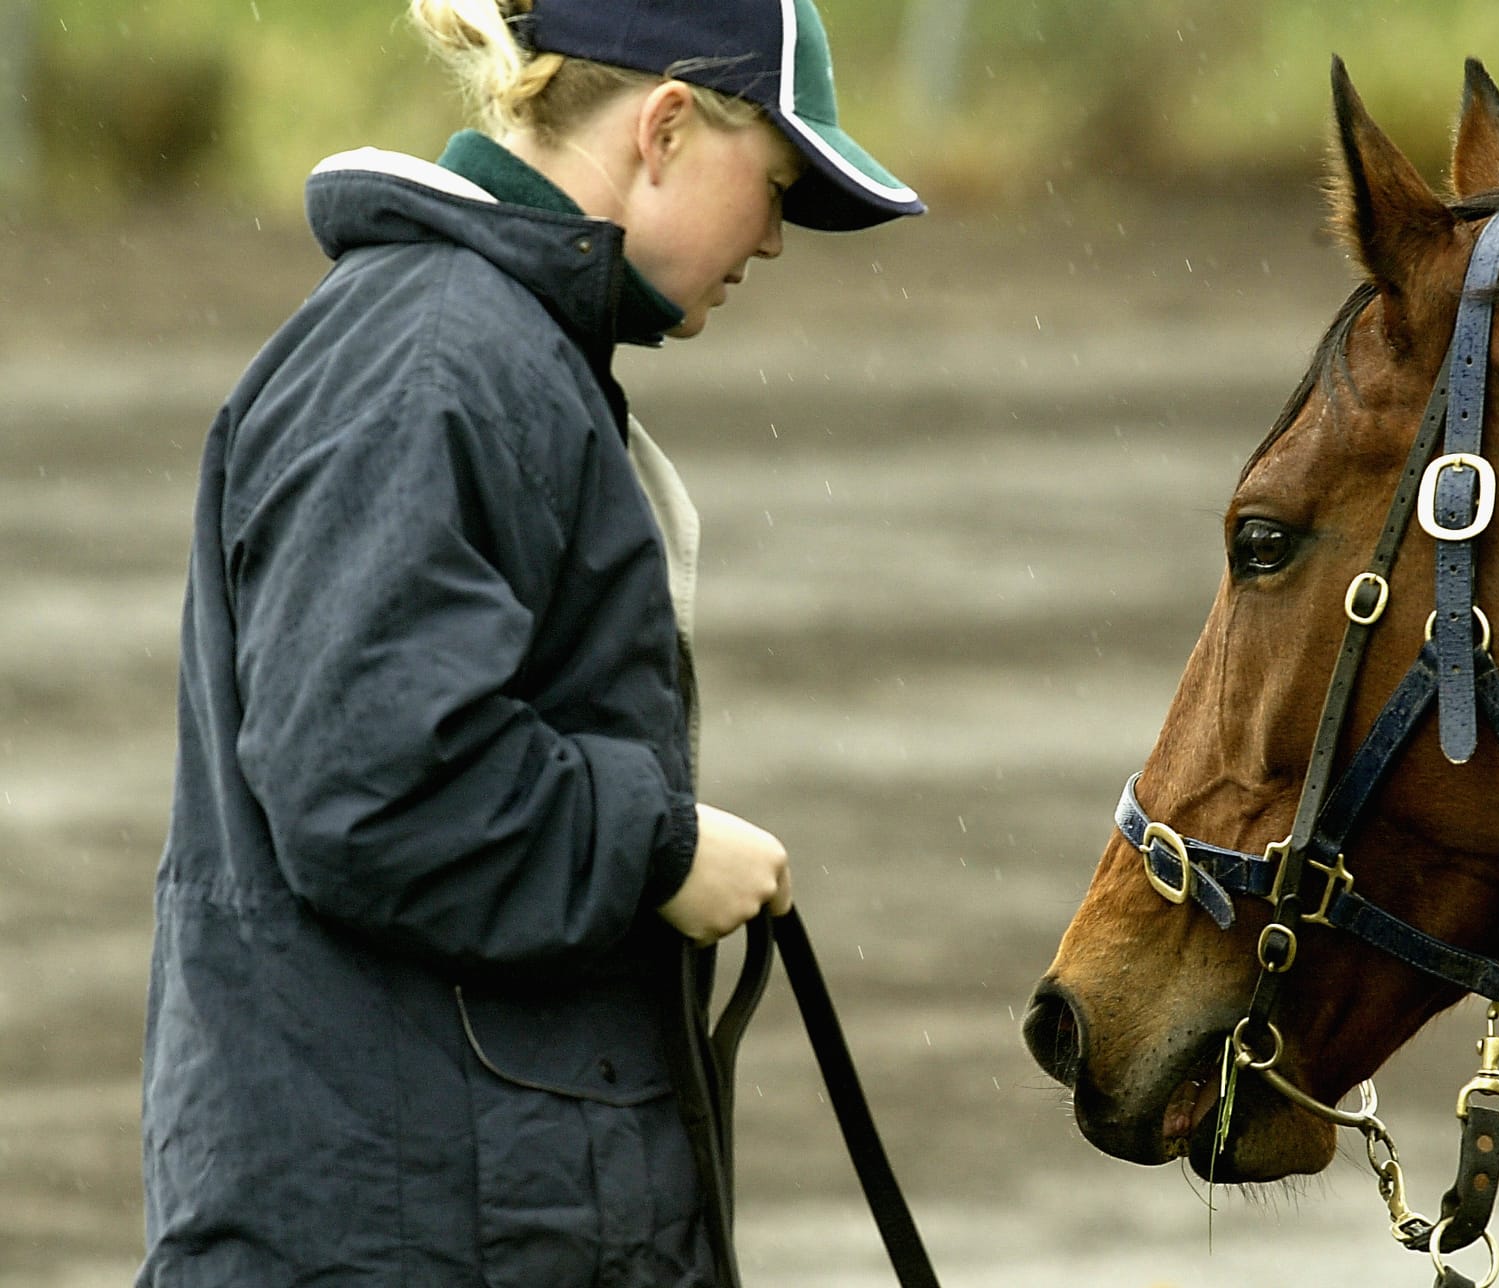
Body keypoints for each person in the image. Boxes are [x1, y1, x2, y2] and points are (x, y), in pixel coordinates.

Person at [138, 0, 922, 1283]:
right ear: (666, 127)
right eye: (775, 184)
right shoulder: (436, 354)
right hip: (410, 1235)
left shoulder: (492, 349)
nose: (776, 239)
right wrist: (657, 846)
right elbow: (372, 777)